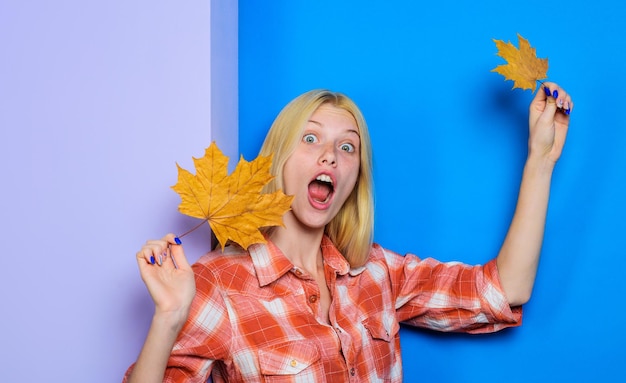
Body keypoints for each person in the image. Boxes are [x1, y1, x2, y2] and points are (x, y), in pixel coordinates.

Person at [124, 83, 573, 382]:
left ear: (355, 177)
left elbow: (505, 288)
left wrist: (541, 160)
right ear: (277, 158)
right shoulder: (218, 286)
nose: (330, 157)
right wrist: (168, 317)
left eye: (347, 147)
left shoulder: (376, 272)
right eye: (310, 139)